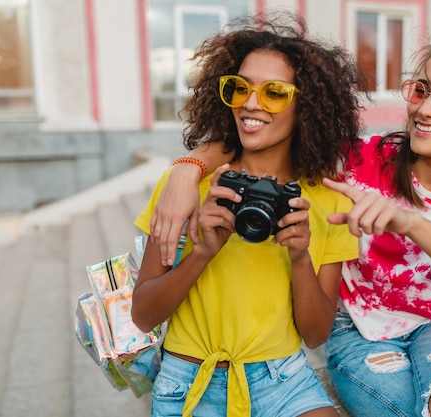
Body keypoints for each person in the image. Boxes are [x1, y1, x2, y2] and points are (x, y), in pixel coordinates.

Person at [151, 13, 431, 417]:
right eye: (420, 90)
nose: (427, 109)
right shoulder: (364, 158)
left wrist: (408, 220)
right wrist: (187, 167)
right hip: (358, 327)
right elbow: (266, 136)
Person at [131, 13, 364, 417]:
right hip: (189, 380)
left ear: (304, 105)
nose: (250, 104)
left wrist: (300, 258)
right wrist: (202, 252)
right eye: (239, 88)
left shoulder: (326, 202)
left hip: (284, 380)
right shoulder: (188, 188)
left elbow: (315, 335)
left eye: (274, 92)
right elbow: (143, 314)